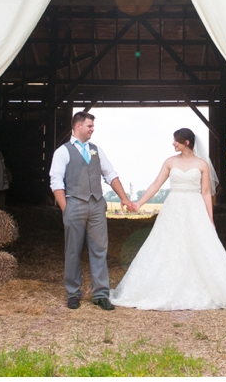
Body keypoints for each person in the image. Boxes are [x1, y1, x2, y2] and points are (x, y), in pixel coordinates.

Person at [110, 128, 226, 311]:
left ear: (186, 142)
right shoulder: (170, 162)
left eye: (176, 140)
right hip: (173, 207)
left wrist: (210, 219)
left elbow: (206, 193)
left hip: (194, 207)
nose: (173, 143)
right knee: (168, 245)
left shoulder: (202, 165)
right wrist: (138, 204)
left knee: (199, 245)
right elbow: (155, 185)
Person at [50, 111, 136, 311]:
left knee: (99, 249)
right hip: (74, 204)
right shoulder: (62, 152)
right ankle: (73, 292)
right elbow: (56, 181)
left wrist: (124, 197)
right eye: (89, 126)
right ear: (78, 126)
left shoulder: (96, 150)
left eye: (92, 126)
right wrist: (65, 208)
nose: (92, 130)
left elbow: (110, 174)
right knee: (72, 250)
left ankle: (101, 294)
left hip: (97, 205)